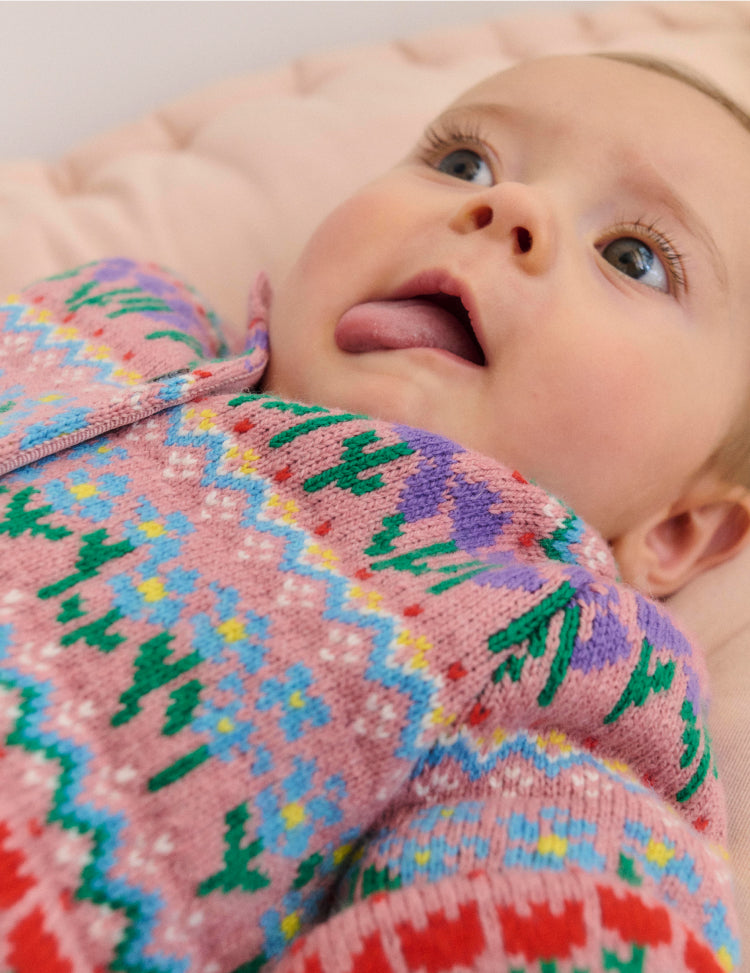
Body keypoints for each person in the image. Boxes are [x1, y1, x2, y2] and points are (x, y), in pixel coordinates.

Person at [0, 54, 745, 973]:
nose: (507, 207)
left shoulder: (556, 645)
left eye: (634, 257)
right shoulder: (114, 316)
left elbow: (561, 908)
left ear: (678, 531)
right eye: (465, 161)